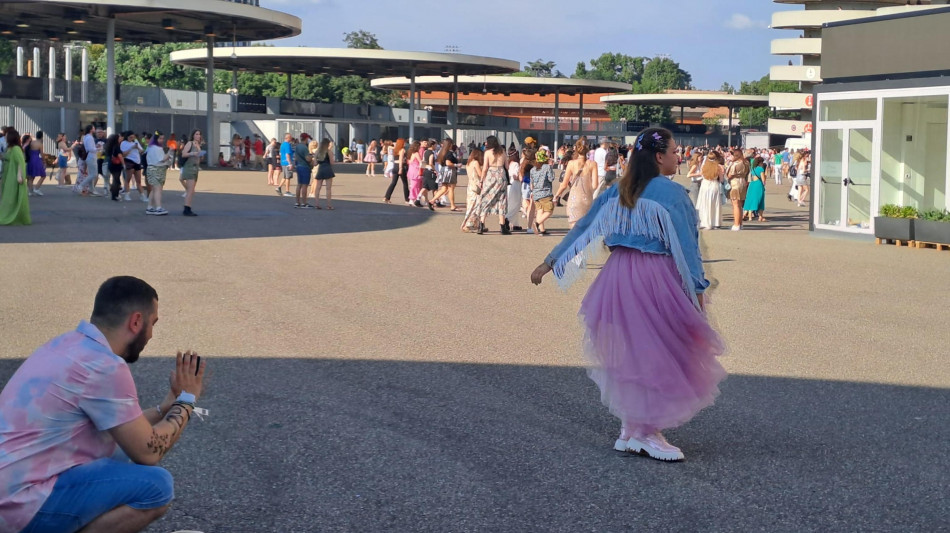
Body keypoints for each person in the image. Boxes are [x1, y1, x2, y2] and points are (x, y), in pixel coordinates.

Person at [530, 127, 725, 462]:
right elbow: (687, 248)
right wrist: (697, 289)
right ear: (659, 156)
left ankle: (632, 428)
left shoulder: (618, 189)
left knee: (634, 351)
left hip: (619, 276)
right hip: (656, 277)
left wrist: (550, 262)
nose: (679, 157)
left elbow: (583, 228)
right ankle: (646, 432)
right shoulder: (672, 195)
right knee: (659, 350)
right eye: (675, 151)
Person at [0, 276, 206, 533]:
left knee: (117, 451)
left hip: (10, 490)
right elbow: (149, 451)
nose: (151, 334)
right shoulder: (103, 366)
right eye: (153, 324)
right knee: (157, 486)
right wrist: (187, 399)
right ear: (136, 321)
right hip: (16, 507)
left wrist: (166, 407)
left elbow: (128, 431)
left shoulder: (67, 344)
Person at [554, 139, 598, 229]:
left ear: (576, 149)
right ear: (588, 149)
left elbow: (564, 184)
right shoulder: (593, 164)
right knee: (585, 229)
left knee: (573, 230)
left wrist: (556, 195)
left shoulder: (571, 163)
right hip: (587, 200)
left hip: (574, 200)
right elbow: (595, 185)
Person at [0, 128, 30, 225]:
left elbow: (20, 162)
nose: (5, 137)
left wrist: (19, 176)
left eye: (7, 136)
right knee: (7, 196)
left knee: (11, 197)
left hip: (13, 176)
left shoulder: (16, 149)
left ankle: (12, 216)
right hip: (7, 174)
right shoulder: (10, 148)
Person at [145, 131, 173, 216]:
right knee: (158, 189)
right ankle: (158, 207)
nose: (162, 140)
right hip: (157, 169)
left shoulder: (150, 147)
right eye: (160, 138)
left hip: (152, 168)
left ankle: (150, 207)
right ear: (156, 139)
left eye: (163, 138)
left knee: (154, 189)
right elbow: (163, 158)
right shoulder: (157, 148)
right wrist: (170, 151)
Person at [529, 148, 555, 236]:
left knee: (540, 210)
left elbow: (531, 182)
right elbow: (551, 178)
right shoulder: (547, 167)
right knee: (549, 210)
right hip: (545, 192)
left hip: (536, 193)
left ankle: (542, 229)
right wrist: (551, 167)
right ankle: (536, 223)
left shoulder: (533, 169)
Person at [697, 151, 724, 230]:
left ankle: (705, 222)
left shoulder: (704, 166)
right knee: (714, 204)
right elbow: (721, 179)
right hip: (714, 185)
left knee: (704, 204)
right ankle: (715, 222)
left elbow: (701, 175)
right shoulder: (718, 167)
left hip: (705, 185)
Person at [179, 129, 204, 216]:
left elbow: (198, 157)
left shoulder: (198, 144)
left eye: (199, 134)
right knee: (190, 190)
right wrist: (193, 153)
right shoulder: (190, 143)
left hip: (195, 168)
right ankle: (186, 209)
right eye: (196, 134)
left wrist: (200, 156)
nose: (198, 136)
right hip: (189, 167)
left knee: (192, 190)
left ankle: (188, 207)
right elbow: (183, 154)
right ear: (193, 135)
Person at [430, 139, 459, 211]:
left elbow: (440, 162)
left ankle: (432, 201)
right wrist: (457, 164)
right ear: (449, 145)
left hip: (443, 171)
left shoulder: (441, 152)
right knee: (451, 188)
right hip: (449, 171)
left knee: (444, 188)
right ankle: (452, 205)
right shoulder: (449, 153)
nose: (452, 145)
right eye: (451, 144)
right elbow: (448, 163)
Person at [461, 148, 484, 233]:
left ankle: (475, 224)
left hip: (470, 185)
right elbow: (480, 174)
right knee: (475, 206)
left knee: (471, 205)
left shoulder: (468, 163)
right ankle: (466, 224)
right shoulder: (475, 163)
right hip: (476, 186)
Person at [726, 148, 749, 231]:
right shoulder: (746, 163)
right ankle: (740, 223)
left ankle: (736, 224)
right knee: (740, 205)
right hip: (743, 182)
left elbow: (729, 175)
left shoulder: (735, 164)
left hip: (735, 183)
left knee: (735, 205)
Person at [120, 132, 145, 203]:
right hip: (129, 161)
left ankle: (142, 195)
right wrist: (131, 148)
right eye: (130, 137)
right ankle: (127, 194)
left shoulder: (135, 142)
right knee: (128, 179)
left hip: (137, 161)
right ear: (127, 137)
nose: (132, 139)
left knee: (139, 180)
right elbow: (123, 154)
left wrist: (137, 147)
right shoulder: (123, 143)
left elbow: (141, 151)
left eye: (133, 137)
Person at [312, 138, 336, 210]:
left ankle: (317, 204)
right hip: (328, 169)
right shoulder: (329, 152)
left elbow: (315, 164)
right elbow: (332, 162)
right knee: (328, 188)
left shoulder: (317, 152)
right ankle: (328, 205)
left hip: (321, 169)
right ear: (328, 144)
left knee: (318, 188)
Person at [384, 138, 409, 205]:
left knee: (393, 182)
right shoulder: (402, 150)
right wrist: (401, 168)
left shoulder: (395, 149)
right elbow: (401, 159)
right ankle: (407, 199)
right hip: (400, 166)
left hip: (394, 166)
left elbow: (390, 148)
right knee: (405, 183)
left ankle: (387, 197)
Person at [743, 156, 767, 222]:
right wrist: (765, 176)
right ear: (760, 162)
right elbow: (763, 180)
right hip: (758, 185)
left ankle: (749, 216)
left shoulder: (753, 169)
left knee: (750, 199)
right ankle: (760, 216)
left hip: (752, 184)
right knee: (760, 200)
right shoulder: (760, 169)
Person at [104, 133, 125, 202]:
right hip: (117, 164)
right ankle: (115, 195)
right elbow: (120, 156)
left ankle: (114, 194)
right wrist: (123, 164)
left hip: (111, 164)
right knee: (116, 180)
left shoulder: (109, 146)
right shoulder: (117, 146)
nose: (120, 139)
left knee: (115, 179)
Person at [294, 137, 314, 208]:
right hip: (305, 167)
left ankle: (297, 202)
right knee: (305, 185)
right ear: (306, 139)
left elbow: (296, 157)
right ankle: (304, 202)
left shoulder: (297, 146)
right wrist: (311, 157)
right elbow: (308, 159)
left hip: (299, 166)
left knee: (299, 184)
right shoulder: (305, 148)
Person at [407, 140, 423, 206]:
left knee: (413, 185)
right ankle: (413, 198)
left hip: (411, 169)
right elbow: (420, 162)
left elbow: (410, 161)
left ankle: (412, 199)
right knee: (415, 186)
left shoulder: (410, 153)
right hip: (416, 170)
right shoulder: (416, 153)